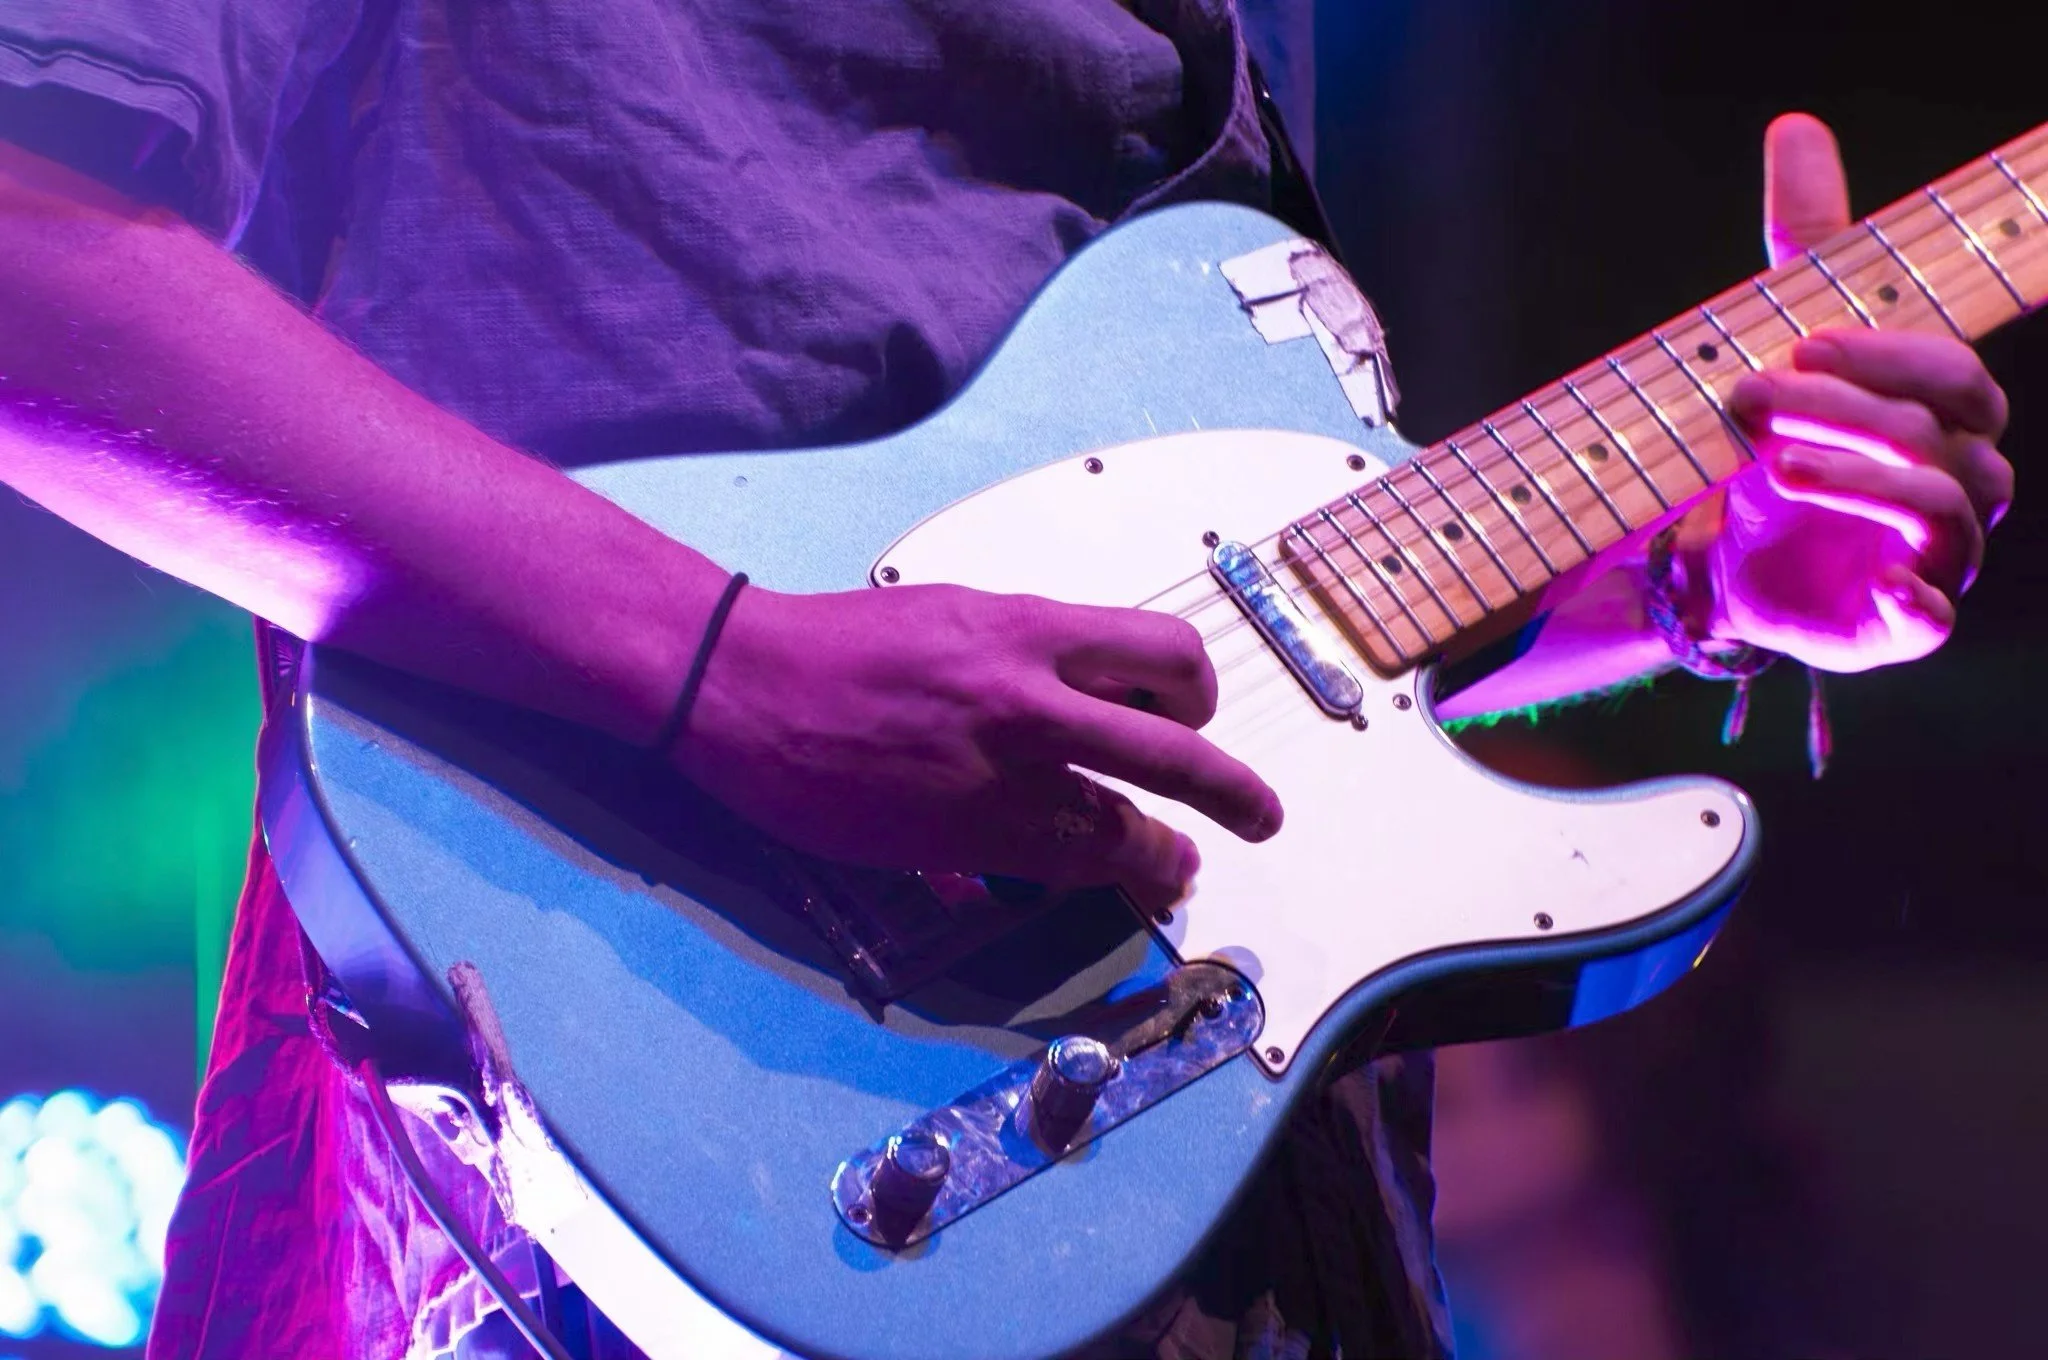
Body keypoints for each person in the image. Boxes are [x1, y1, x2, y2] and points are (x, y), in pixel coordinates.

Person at [0, 3, 2014, 1357]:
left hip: (1205, 1176)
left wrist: (1682, 574)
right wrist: (726, 668)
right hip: (575, 1173)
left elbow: (1211, 619)